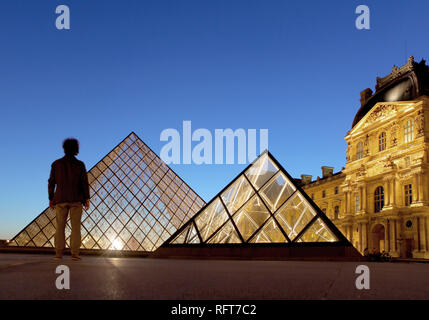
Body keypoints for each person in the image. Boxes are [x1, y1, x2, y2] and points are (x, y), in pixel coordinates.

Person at [48, 138, 90, 261]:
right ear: (76, 149)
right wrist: (86, 198)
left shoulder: (56, 164)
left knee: (60, 226)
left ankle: (58, 253)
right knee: (76, 227)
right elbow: (84, 183)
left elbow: (51, 182)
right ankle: (75, 254)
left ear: (64, 148)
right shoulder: (80, 164)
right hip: (76, 199)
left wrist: (51, 198)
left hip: (60, 199)